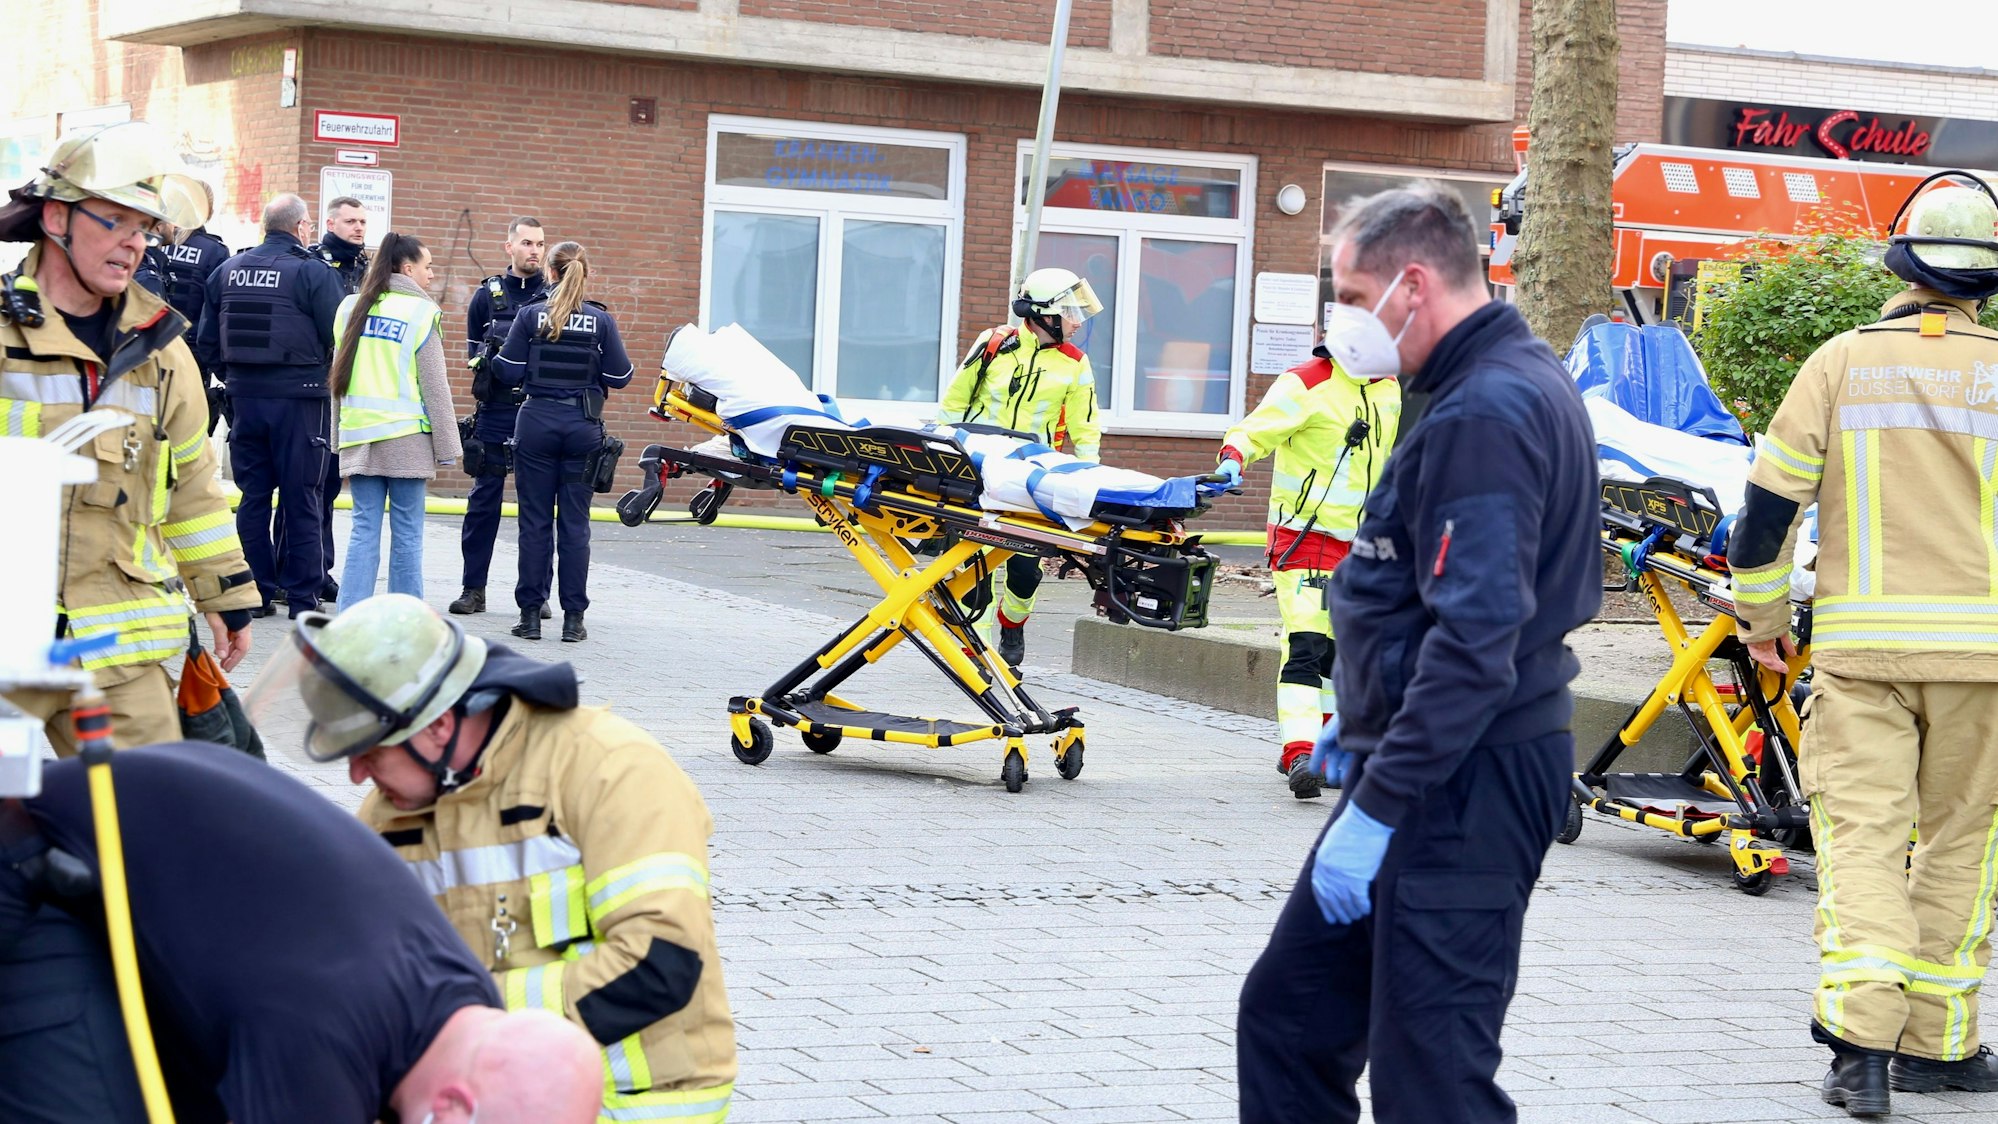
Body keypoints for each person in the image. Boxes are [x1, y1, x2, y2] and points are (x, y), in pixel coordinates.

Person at [1236, 186, 1600, 1124]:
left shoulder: (1488, 412)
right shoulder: (1471, 387)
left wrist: (1380, 804)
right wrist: (1360, 725)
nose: (1344, 322)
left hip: (1463, 781)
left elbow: (1476, 643)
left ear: (1411, 285)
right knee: (1290, 1020)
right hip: (1416, 762)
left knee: (1432, 1082)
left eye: (1352, 298)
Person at [246, 594, 739, 1124]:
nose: (358, 776)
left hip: (642, 1102)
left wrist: (457, 1025)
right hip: (481, 1100)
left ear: (436, 726)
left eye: (370, 751)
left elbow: (659, 963)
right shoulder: (392, 812)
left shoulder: (610, 768)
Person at [1727, 175, 1998, 1117]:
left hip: (1863, 661)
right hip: (1987, 667)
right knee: (1963, 845)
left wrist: (1760, 627)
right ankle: (1943, 1046)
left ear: (1902, 260)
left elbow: (1763, 519)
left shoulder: (1839, 364)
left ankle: (1862, 1050)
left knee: (1866, 846)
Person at [0, 744, 604, 1123]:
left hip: (121, 863)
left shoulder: (469, 1012)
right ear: (451, 1110)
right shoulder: (321, 1047)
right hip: (38, 866)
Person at [0, 121, 259, 753]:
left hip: (114, 654)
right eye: (114, 221)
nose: (134, 244)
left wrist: (224, 592)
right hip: (7, 646)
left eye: (144, 228)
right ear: (57, 217)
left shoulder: (163, 351)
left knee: (151, 825)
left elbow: (195, 487)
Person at [1216, 321, 1401, 799]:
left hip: (1362, 543)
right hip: (1305, 536)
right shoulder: (1306, 381)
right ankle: (1301, 752)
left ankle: (1323, 750)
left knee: (1341, 654)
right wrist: (1234, 457)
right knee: (1305, 644)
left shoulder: (1389, 390)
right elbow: (1253, 430)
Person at [937, 266, 1103, 668]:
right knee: (973, 570)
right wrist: (942, 454)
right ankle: (975, 654)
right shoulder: (993, 343)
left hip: (1031, 479)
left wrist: (1088, 484)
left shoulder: (1075, 364)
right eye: (1069, 312)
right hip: (976, 469)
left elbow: (1086, 430)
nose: (1077, 321)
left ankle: (1012, 623)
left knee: (1024, 572)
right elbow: (954, 403)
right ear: (1044, 314)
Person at [197, 192, 346, 617]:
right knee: (303, 498)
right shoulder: (312, 273)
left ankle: (256, 594)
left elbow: (207, 342)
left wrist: (238, 379)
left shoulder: (227, 270)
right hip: (300, 401)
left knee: (253, 497)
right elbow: (338, 335)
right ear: (300, 228)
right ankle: (302, 598)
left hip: (244, 400)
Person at [492, 241, 632, 643]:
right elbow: (621, 375)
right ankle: (574, 620)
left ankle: (531, 617)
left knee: (534, 522)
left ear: (550, 272)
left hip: (536, 423)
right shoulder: (600, 321)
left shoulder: (531, 315)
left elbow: (507, 371)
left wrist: (496, 354)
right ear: (584, 274)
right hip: (582, 427)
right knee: (575, 526)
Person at [330, 231, 462, 611]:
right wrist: (448, 448)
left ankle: (349, 617)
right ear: (408, 269)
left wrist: (339, 438)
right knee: (407, 534)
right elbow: (435, 388)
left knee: (363, 530)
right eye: (428, 266)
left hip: (359, 436)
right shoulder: (420, 314)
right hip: (405, 439)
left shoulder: (349, 308)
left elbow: (337, 380)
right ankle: (405, 622)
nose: (432, 274)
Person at [450, 216, 549, 618]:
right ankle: (473, 589)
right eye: (527, 243)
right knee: (483, 503)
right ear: (509, 247)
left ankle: (536, 594)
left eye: (540, 244)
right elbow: (474, 356)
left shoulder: (555, 296)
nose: (535, 251)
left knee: (538, 506)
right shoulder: (485, 297)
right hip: (496, 411)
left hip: (539, 410)